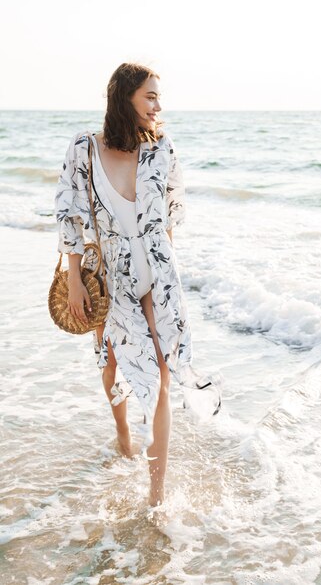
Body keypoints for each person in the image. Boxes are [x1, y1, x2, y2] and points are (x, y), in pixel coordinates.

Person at [54, 63, 222, 507]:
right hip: (112, 272)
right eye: (150, 96)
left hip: (159, 270)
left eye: (158, 97)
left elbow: (173, 209)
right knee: (112, 361)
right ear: (124, 96)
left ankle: (156, 493)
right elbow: (69, 214)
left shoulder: (161, 148)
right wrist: (75, 278)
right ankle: (123, 433)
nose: (158, 106)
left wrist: (162, 264)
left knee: (164, 372)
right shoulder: (83, 148)